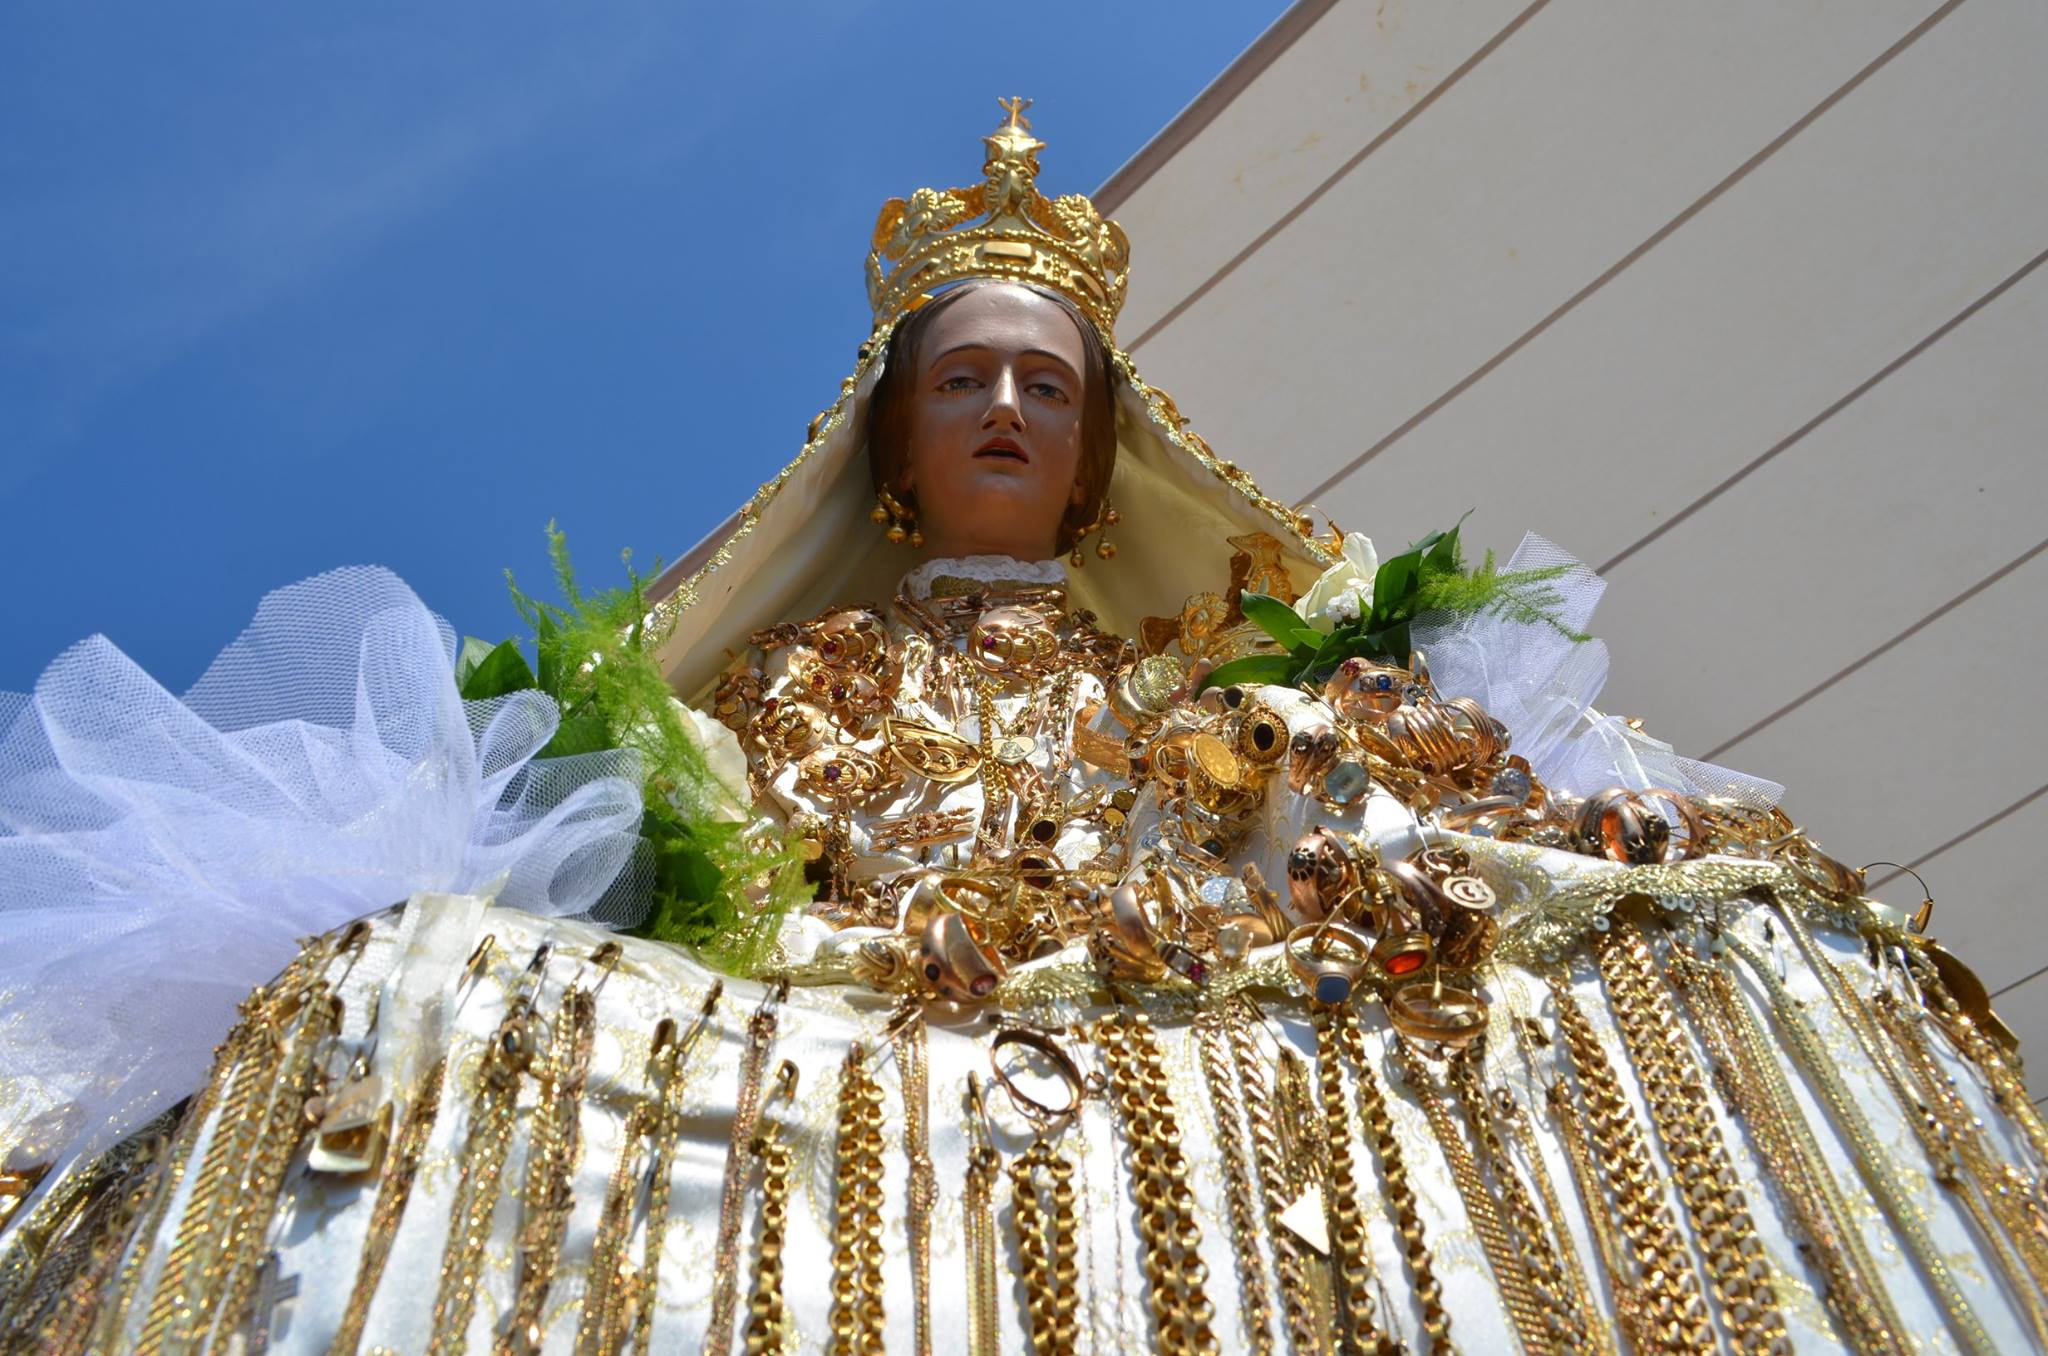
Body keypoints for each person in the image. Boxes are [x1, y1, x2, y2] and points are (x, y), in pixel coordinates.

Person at [2, 101, 2042, 1356]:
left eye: (1046, 391)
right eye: (965, 380)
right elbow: (733, 876)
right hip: (892, 1017)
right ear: (891, 448)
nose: (1004, 409)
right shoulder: (793, 685)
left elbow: (1334, 829)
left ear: (1093, 455)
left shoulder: (1206, 688)